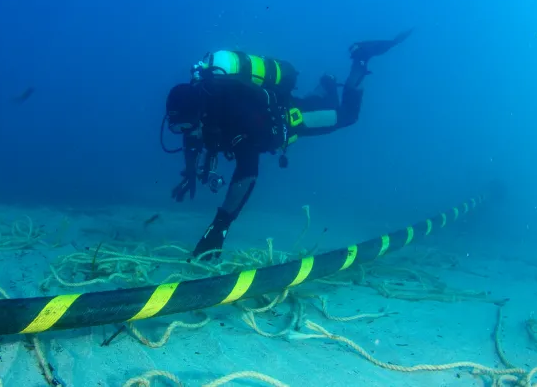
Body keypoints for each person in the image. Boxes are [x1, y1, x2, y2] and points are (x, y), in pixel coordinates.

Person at [162, 29, 414, 260]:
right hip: (275, 111)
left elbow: (247, 173)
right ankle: (325, 86)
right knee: (307, 104)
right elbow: (192, 140)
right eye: (178, 128)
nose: (186, 132)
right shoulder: (201, 114)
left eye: (186, 125)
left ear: (199, 113)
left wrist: (220, 227)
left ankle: (361, 59)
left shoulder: (233, 117)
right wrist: (191, 172)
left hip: (290, 121)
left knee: (346, 116)